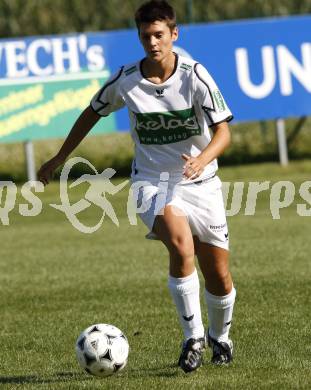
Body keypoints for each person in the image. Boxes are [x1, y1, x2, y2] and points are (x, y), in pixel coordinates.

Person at [38, 0, 236, 373]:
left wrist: (201, 158)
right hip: (150, 182)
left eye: (160, 35)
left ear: (174, 35)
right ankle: (192, 337)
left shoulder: (195, 76)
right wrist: (60, 158)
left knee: (220, 277)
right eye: (146, 36)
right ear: (140, 37)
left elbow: (223, 132)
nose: (153, 42)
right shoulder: (127, 79)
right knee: (179, 244)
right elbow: (91, 113)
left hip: (202, 182)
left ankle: (220, 337)